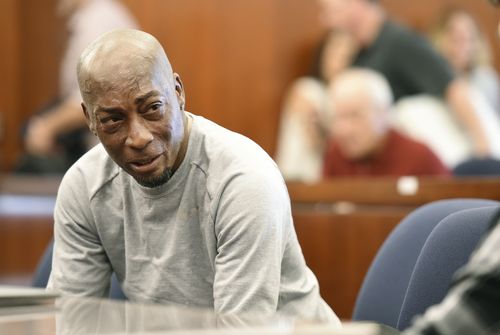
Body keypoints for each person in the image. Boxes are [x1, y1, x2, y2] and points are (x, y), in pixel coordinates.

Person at [47, 29, 340, 324]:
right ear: (90, 120)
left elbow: (239, 331)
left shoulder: (243, 180)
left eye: (152, 108)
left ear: (178, 92)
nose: (138, 138)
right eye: (113, 120)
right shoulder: (85, 186)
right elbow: (72, 324)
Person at [317, 0, 493, 158]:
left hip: (428, 155)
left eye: (331, 10)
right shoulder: (356, 53)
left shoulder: (399, 43)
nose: (325, 20)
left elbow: (454, 88)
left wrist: (483, 149)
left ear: (357, 5)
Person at [17, 0, 138, 174]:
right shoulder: (97, 17)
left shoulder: (96, 22)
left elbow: (97, 98)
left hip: (112, 157)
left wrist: (46, 127)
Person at [322, 68, 450, 177]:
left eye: (355, 116)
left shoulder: (419, 158)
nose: (344, 129)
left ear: (383, 114)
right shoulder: (336, 153)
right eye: (337, 117)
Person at [275, 29, 357, 181]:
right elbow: (316, 140)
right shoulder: (306, 90)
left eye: (348, 56)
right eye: (336, 52)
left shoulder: (348, 97)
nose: (341, 61)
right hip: (300, 178)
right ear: (322, 54)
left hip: (327, 179)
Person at [431, 8, 500, 113]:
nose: (462, 44)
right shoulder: (429, 79)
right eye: (454, 37)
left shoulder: (486, 79)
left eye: (468, 37)